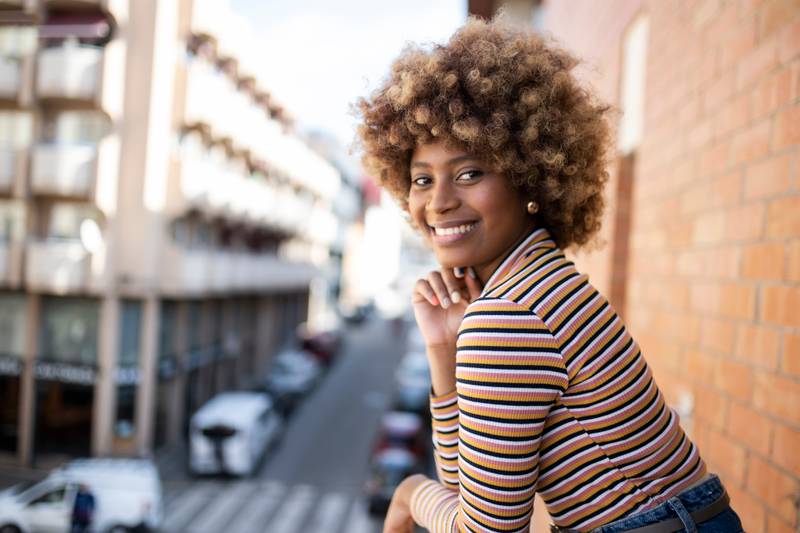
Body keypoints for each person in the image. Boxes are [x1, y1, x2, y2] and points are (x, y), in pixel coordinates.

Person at [355, 16, 744, 533]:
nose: (440, 202)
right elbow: (467, 490)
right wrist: (444, 346)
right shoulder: (536, 283)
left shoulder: (510, 312)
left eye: (469, 173)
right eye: (422, 179)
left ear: (528, 177)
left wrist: (407, 494)